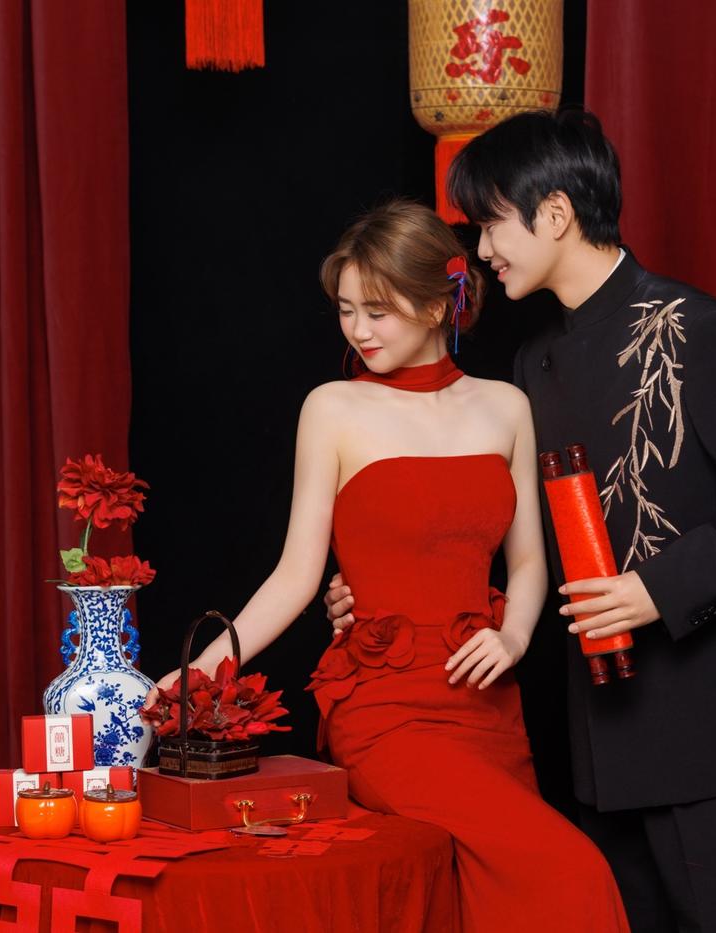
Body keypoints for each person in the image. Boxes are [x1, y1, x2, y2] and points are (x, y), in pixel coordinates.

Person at [325, 110, 716, 933]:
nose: (481, 251)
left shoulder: (694, 330)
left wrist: (655, 589)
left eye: (491, 223)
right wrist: (378, 582)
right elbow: (505, 530)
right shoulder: (536, 363)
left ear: (556, 213)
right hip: (606, 732)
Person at [146, 199, 629, 932]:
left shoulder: (507, 406)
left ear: (439, 304)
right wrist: (200, 672)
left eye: (377, 311)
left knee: (489, 897)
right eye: (346, 311)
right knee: (570, 868)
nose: (359, 330)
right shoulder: (333, 408)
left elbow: (530, 559)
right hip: (384, 710)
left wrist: (515, 636)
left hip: (487, 702)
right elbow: (295, 575)